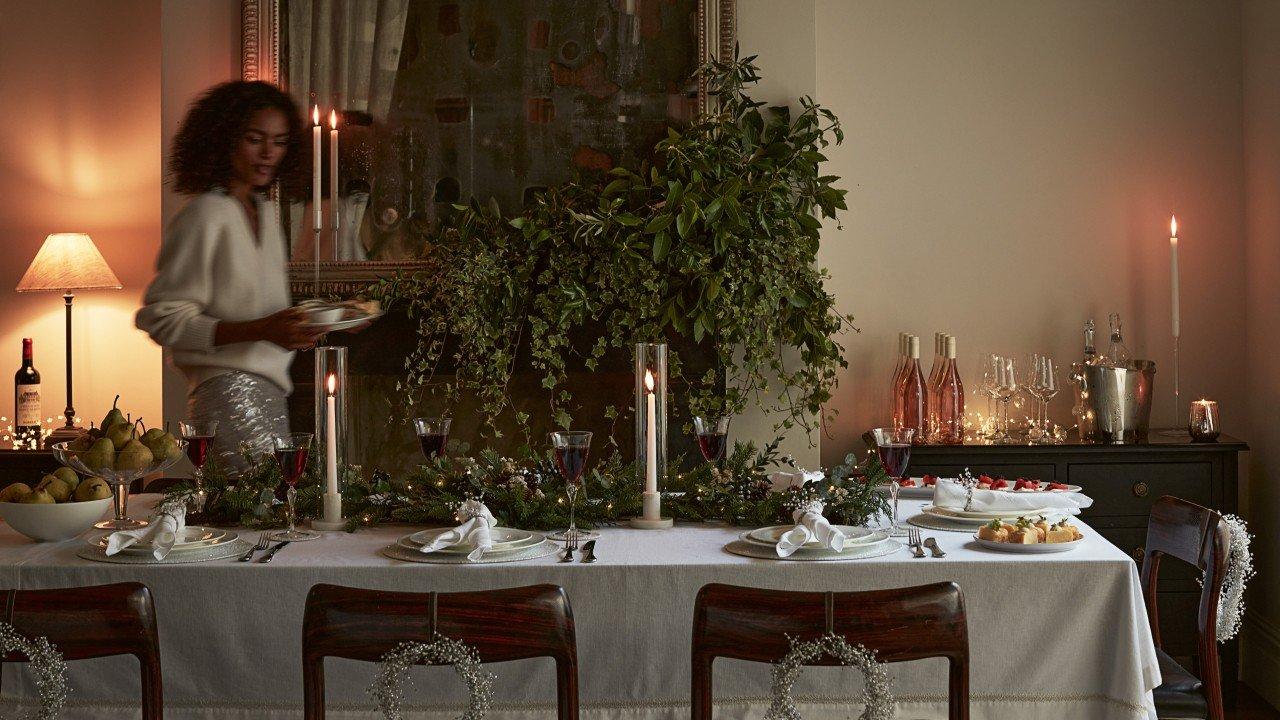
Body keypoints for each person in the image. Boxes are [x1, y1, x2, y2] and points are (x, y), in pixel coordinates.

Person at [137, 81, 322, 473]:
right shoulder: (205, 213)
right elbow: (161, 318)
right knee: (257, 519)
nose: (269, 153)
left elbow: (266, 314)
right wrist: (262, 330)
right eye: (255, 139)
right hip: (226, 394)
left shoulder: (264, 213)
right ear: (224, 138)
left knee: (273, 518)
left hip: (272, 393)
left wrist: (324, 320)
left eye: (280, 141)